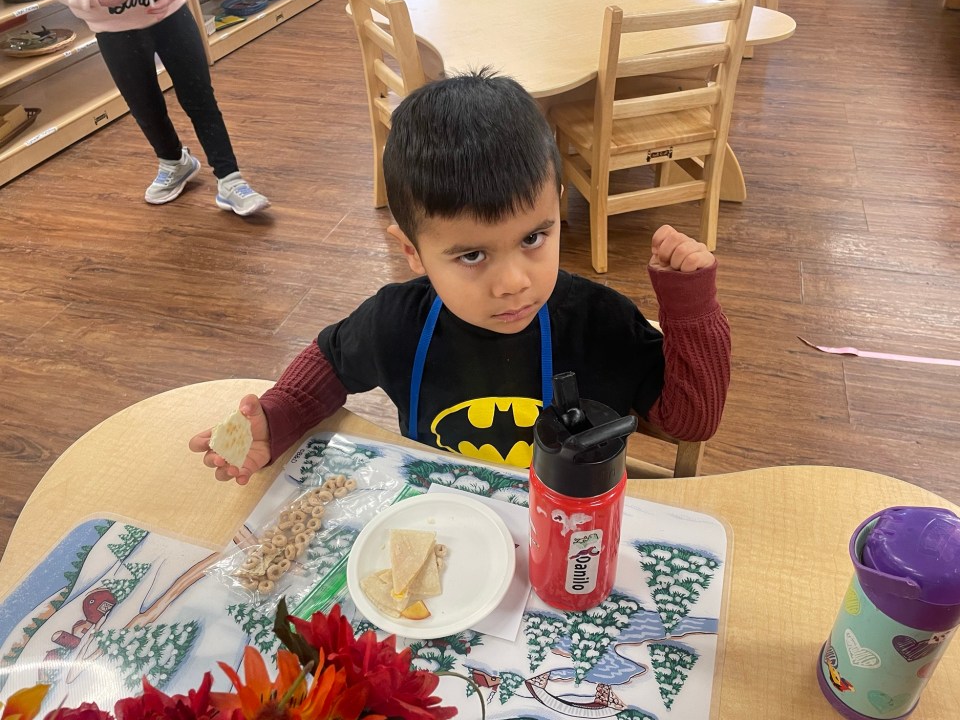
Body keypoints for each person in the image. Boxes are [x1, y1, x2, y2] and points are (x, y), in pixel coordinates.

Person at [189, 70, 731, 483]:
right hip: (444, 529)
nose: (513, 282)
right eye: (472, 255)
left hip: (566, 532)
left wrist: (691, 310)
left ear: (558, 208)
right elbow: (330, 361)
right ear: (414, 252)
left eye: (533, 238)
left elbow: (692, 422)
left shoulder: (599, 323)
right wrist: (278, 415)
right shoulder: (397, 321)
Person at [10, 0, 270, 215]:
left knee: (200, 98)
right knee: (143, 105)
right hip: (112, 28)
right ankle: (173, 161)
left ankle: (229, 178)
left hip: (171, 13)